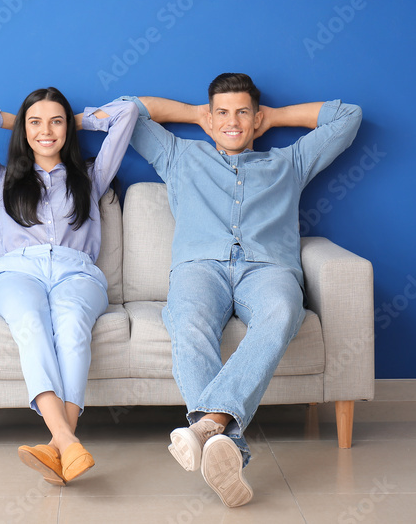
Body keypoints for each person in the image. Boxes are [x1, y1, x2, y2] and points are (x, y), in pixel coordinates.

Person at [121, 73, 361, 507]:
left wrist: (275, 117)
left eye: (242, 112)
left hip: (267, 270)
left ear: (256, 119)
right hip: (200, 268)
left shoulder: (289, 162)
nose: (232, 121)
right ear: (210, 119)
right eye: (222, 113)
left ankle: (206, 428)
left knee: (284, 313)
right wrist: (196, 115)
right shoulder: (178, 154)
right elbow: (125, 111)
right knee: (186, 319)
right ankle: (227, 444)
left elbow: (348, 117)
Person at [0, 88, 138, 485]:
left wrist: (73, 120)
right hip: (17, 273)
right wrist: (15, 120)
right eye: (36, 123)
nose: (45, 131)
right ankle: (69, 443)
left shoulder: (91, 177)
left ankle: (59, 446)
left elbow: (128, 113)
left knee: (72, 327)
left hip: (77, 273)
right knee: (30, 324)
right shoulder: (2, 179)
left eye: (55, 121)